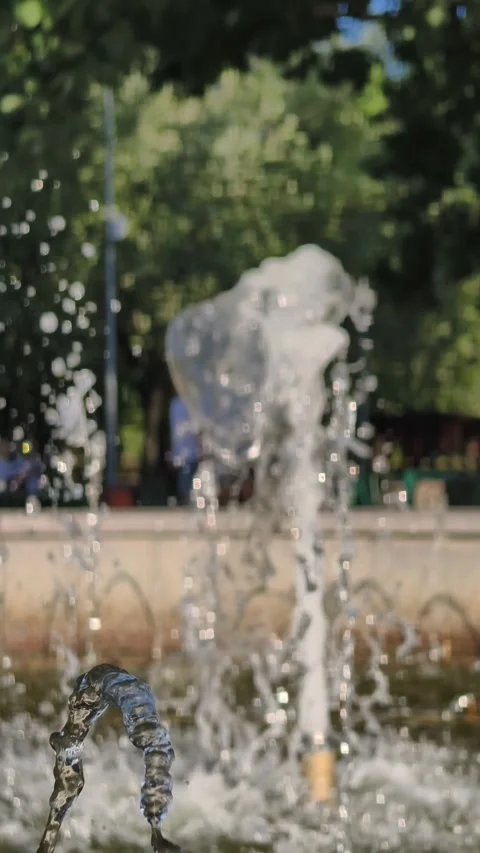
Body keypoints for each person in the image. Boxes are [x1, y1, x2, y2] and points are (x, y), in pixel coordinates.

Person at [168, 396, 200, 506]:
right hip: (186, 452)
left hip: (189, 451)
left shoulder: (177, 404)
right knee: (187, 479)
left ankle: (190, 500)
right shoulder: (181, 404)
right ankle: (188, 500)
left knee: (190, 478)